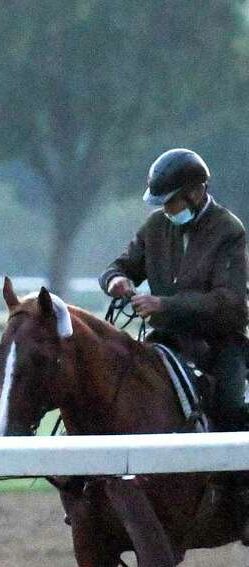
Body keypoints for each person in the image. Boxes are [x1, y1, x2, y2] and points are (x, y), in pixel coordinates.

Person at [99, 148, 249, 430]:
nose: (165, 210)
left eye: (170, 202)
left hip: (220, 346)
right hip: (165, 341)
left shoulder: (229, 230)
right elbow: (118, 266)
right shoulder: (155, 225)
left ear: (196, 192)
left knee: (230, 410)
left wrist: (164, 305)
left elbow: (229, 302)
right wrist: (115, 281)